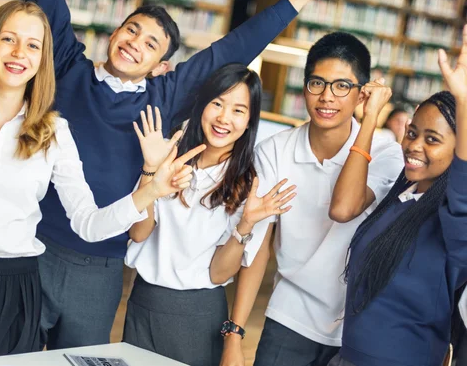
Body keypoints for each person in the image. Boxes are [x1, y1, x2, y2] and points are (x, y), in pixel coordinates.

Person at [21, 0, 346, 349]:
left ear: (161, 66)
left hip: (100, 267)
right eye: (132, 30)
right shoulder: (67, 67)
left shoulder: (163, 96)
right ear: (114, 33)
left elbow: (235, 47)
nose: (135, 43)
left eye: (151, 44)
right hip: (33, 246)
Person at [0, 0, 203, 365]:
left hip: (16, 287)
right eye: (8, 39)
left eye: (33, 45)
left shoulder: (54, 133)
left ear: (44, 59)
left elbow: (89, 225)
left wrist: (149, 190)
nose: (18, 53)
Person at [220, 32, 404, 366]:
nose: (326, 97)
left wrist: (370, 121)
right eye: (317, 83)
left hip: (356, 324)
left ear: (363, 94)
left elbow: (345, 208)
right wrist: (235, 333)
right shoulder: (275, 151)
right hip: (290, 315)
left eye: (341, 86)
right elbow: (259, 246)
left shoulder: (388, 154)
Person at [123, 63, 296, 366]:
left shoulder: (248, 183)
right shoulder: (169, 156)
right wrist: (150, 172)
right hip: (143, 302)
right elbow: (138, 233)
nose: (223, 118)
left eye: (238, 110)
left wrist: (245, 225)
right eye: (217, 103)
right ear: (202, 104)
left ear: (249, 121)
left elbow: (219, 273)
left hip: (197, 314)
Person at [327, 25, 467, 366]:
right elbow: (342, 207)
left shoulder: (454, 219)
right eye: (412, 133)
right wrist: (371, 117)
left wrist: (464, 102)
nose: (414, 146)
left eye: (432, 139)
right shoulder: (401, 197)